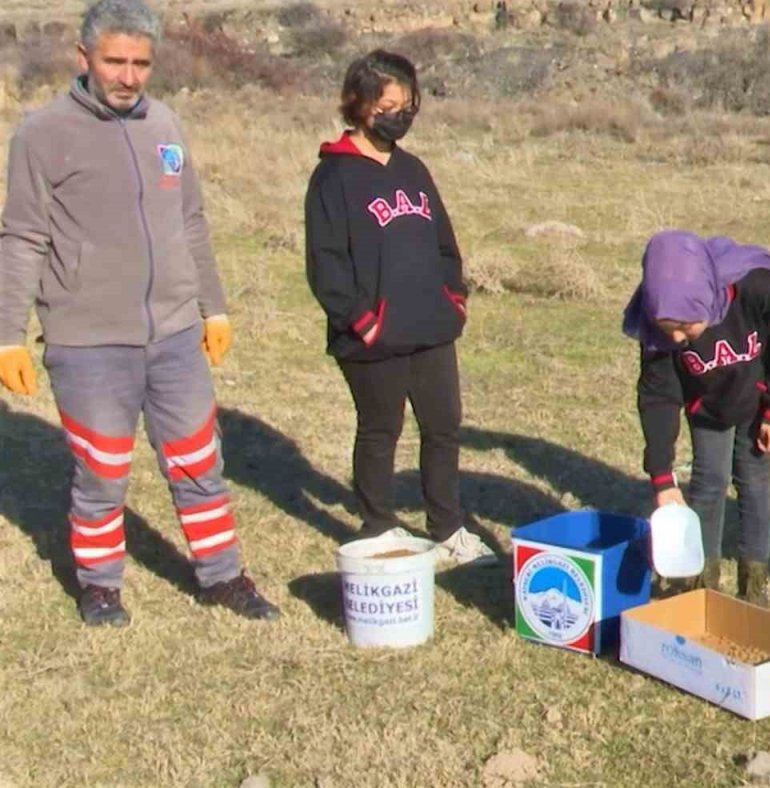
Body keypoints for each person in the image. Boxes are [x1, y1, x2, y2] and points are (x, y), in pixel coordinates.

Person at [0, 0, 279, 626]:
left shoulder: (167, 126)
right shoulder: (42, 135)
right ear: (84, 58)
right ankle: (100, 586)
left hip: (175, 333)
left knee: (199, 460)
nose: (128, 76)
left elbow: (192, 223)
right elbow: (21, 238)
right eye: (115, 62)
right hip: (88, 340)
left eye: (141, 64)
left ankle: (222, 576)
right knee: (101, 473)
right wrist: (6, 337)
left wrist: (214, 309)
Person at [304, 50, 496, 566]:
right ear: (359, 105)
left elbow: (444, 244)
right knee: (380, 428)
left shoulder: (413, 170)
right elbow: (325, 265)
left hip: (430, 327)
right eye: (389, 105)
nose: (400, 115)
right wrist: (362, 322)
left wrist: (452, 300)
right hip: (372, 335)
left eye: (408, 105)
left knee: (443, 426)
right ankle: (379, 525)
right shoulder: (333, 178)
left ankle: (449, 528)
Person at [627, 230, 770, 604]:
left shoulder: (756, 288)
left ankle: (754, 587)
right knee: (709, 485)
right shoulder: (657, 323)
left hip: (756, 400)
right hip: (706, 406)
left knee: (755, 483)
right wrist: (662, 479)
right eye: (667, 328)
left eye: (685, 327)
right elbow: (658, 397)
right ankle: (702, 588)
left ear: (705, 299)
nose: (676, 339)